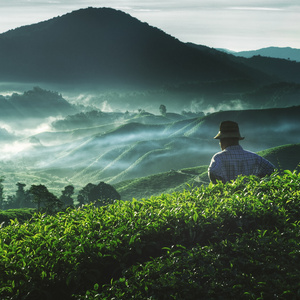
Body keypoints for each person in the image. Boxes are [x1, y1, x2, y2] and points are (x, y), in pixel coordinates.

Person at [208, 120, 275, 183]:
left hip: (227, 194)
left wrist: (221, 187)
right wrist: (258, 182)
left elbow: (212, 172)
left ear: (223, 141)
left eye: (220, 141)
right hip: (250, 194)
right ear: (237, 139)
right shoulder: (254, 157)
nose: (220, 143)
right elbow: (272, 170)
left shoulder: (219, 158)